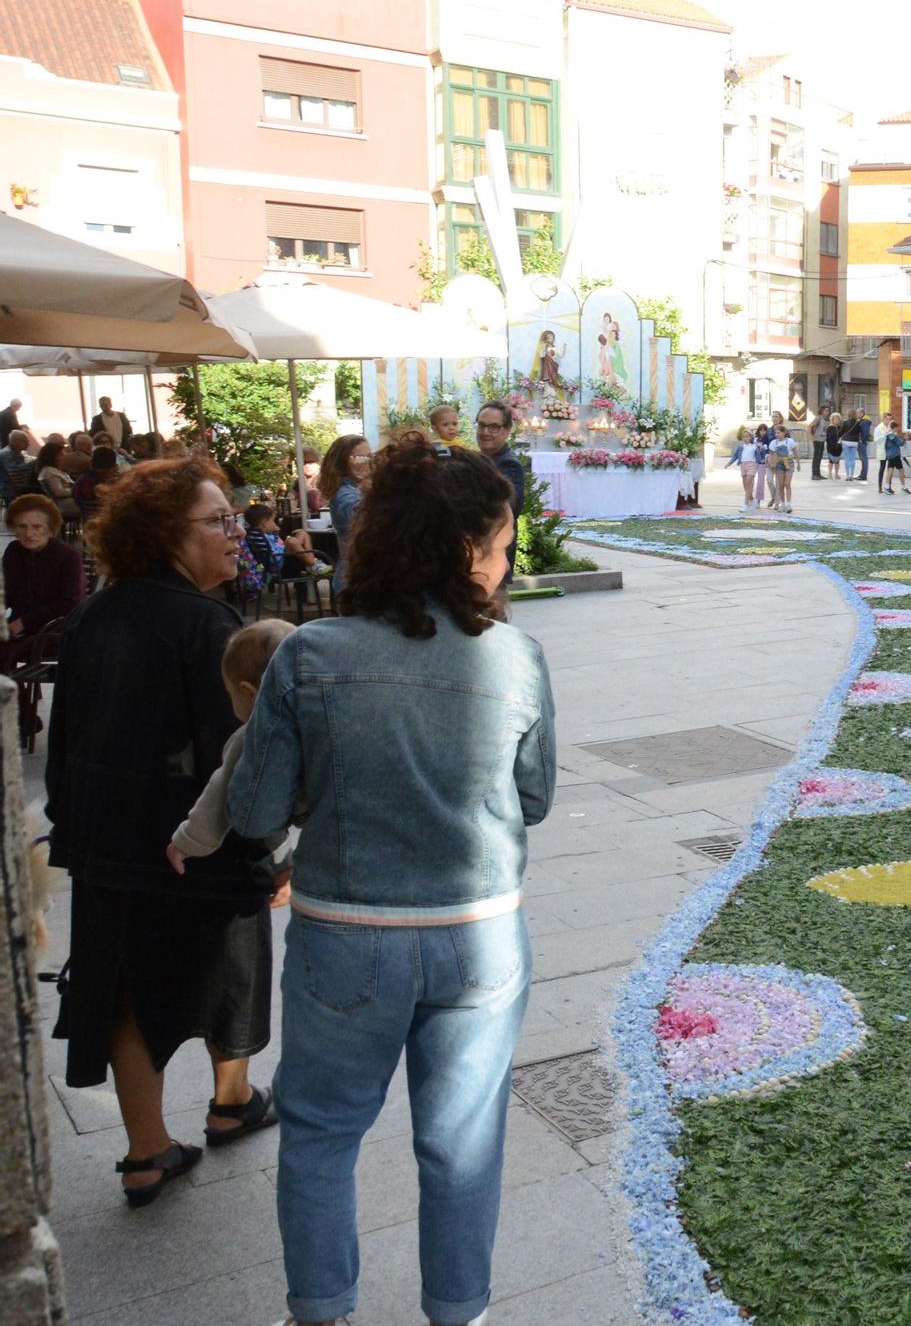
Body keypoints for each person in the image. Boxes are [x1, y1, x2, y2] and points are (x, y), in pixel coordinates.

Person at [230, 442, 555, 1326]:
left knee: (323, 1134)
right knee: (462, 1146)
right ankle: (459, 1313)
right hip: (480, 936)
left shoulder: (309, 654)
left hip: (345, 933)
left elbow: (256, 811)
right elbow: (533, 797)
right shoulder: (517, 658)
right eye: (500, 545)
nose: (504, 562)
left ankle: (322, 1312)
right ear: (462, 549)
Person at [46, 459, 283, 1208]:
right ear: (165, 535)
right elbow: (237, 752)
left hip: (108, 839)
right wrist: (264, 850)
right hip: (191, 843)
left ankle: (146, 1152)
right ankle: (231, 1098)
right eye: (217, 521)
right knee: (234, 960)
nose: (233, 533)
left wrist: (72, 826)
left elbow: (65, 735)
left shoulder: (95, 612)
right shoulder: (206, 625)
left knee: (122, 988)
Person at [166, 619, 296, 874]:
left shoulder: (251, 737)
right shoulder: (333, 719)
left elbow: (219, 793)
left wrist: (187, 842)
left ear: (249, 693)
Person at [1, 494, 87, 706]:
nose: (28, 533)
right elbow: (8, 593)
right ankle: (21, 712)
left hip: (55, 633)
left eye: (37, 527)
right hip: (20, 630)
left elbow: (70, 604)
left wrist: (23, 622)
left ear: (50, 528)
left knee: (2, 655)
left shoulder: (67, 557)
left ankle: (21, 717)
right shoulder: (14, 552)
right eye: (21, 526)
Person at [473, 403, 525, 586]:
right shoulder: (480, 459)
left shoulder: (508, 465)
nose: (485, 432)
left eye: (493, 427)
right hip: (477, 556)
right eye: (481, 425)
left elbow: (506, 511)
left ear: (508, 430)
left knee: (493, 612)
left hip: (493, 556)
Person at [318, 435, 372, 593]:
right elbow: (366, 515)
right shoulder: (344, 494)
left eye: (369, 456)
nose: (367, 462)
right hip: (355, 581)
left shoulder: (357, 488)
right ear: (343, 461)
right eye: (360, 457)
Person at [38, 442, 81, 518]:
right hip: (64, 504)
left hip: (68, 501)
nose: (64, 456)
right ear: (52, 457)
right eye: (61, 454)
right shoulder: (50, 472)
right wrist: (75, 489)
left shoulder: (55, 470)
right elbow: (58, 492)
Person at [725, 426, 757, 508]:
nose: (745, 438)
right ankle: (752, 500)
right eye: (744, 437)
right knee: (745, 486)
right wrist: (729, 463)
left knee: (748, 483)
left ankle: (745, 505)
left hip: (752, 466)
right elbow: (735, 456)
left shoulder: (754, 447)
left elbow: (759, 457)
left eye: (747, 436)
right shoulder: (741, 447)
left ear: (751, 438)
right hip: (743, 466)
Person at [769, 425, 798, 513]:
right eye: (775, 433)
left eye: (778, 432)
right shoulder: (774, 443)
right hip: (779, 464)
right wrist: (772, 463)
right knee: (781, 485)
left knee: (787, 484)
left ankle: (788, 504)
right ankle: (783, 503)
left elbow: (795, 452)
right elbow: (772, 454)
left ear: (784, 433)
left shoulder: (790, 441)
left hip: (788, 463)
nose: (776, 434)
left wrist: (799, 463)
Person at [879, 417, 908, 494]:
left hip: (889, 455)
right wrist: (905, 439)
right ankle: (904, 487)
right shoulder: (894, 436)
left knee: (890, 471)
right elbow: (901, 444)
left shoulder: (887, 435)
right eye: (897, 428)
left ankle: (887, 486)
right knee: (901, 470)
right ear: (895, 427)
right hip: (895, 455)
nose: (898, 429)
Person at [0, 430, 31, 501]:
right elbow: (15, 472)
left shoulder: (16, 452)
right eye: (25, 441)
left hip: (15, 486)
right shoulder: (7, 453)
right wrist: (32, 464)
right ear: (16, 441)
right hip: (9, 488)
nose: (28, 443)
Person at [850, 409, 872, 483]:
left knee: (864, 459)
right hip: (861, 442)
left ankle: (863, 475)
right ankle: (862, 474)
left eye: (858, 413)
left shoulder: (864, 421)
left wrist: (862, 440)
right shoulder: (862, 421)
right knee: (863, 459)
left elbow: (866, 433)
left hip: (861, 442)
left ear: (862, 413)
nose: (856, 414)